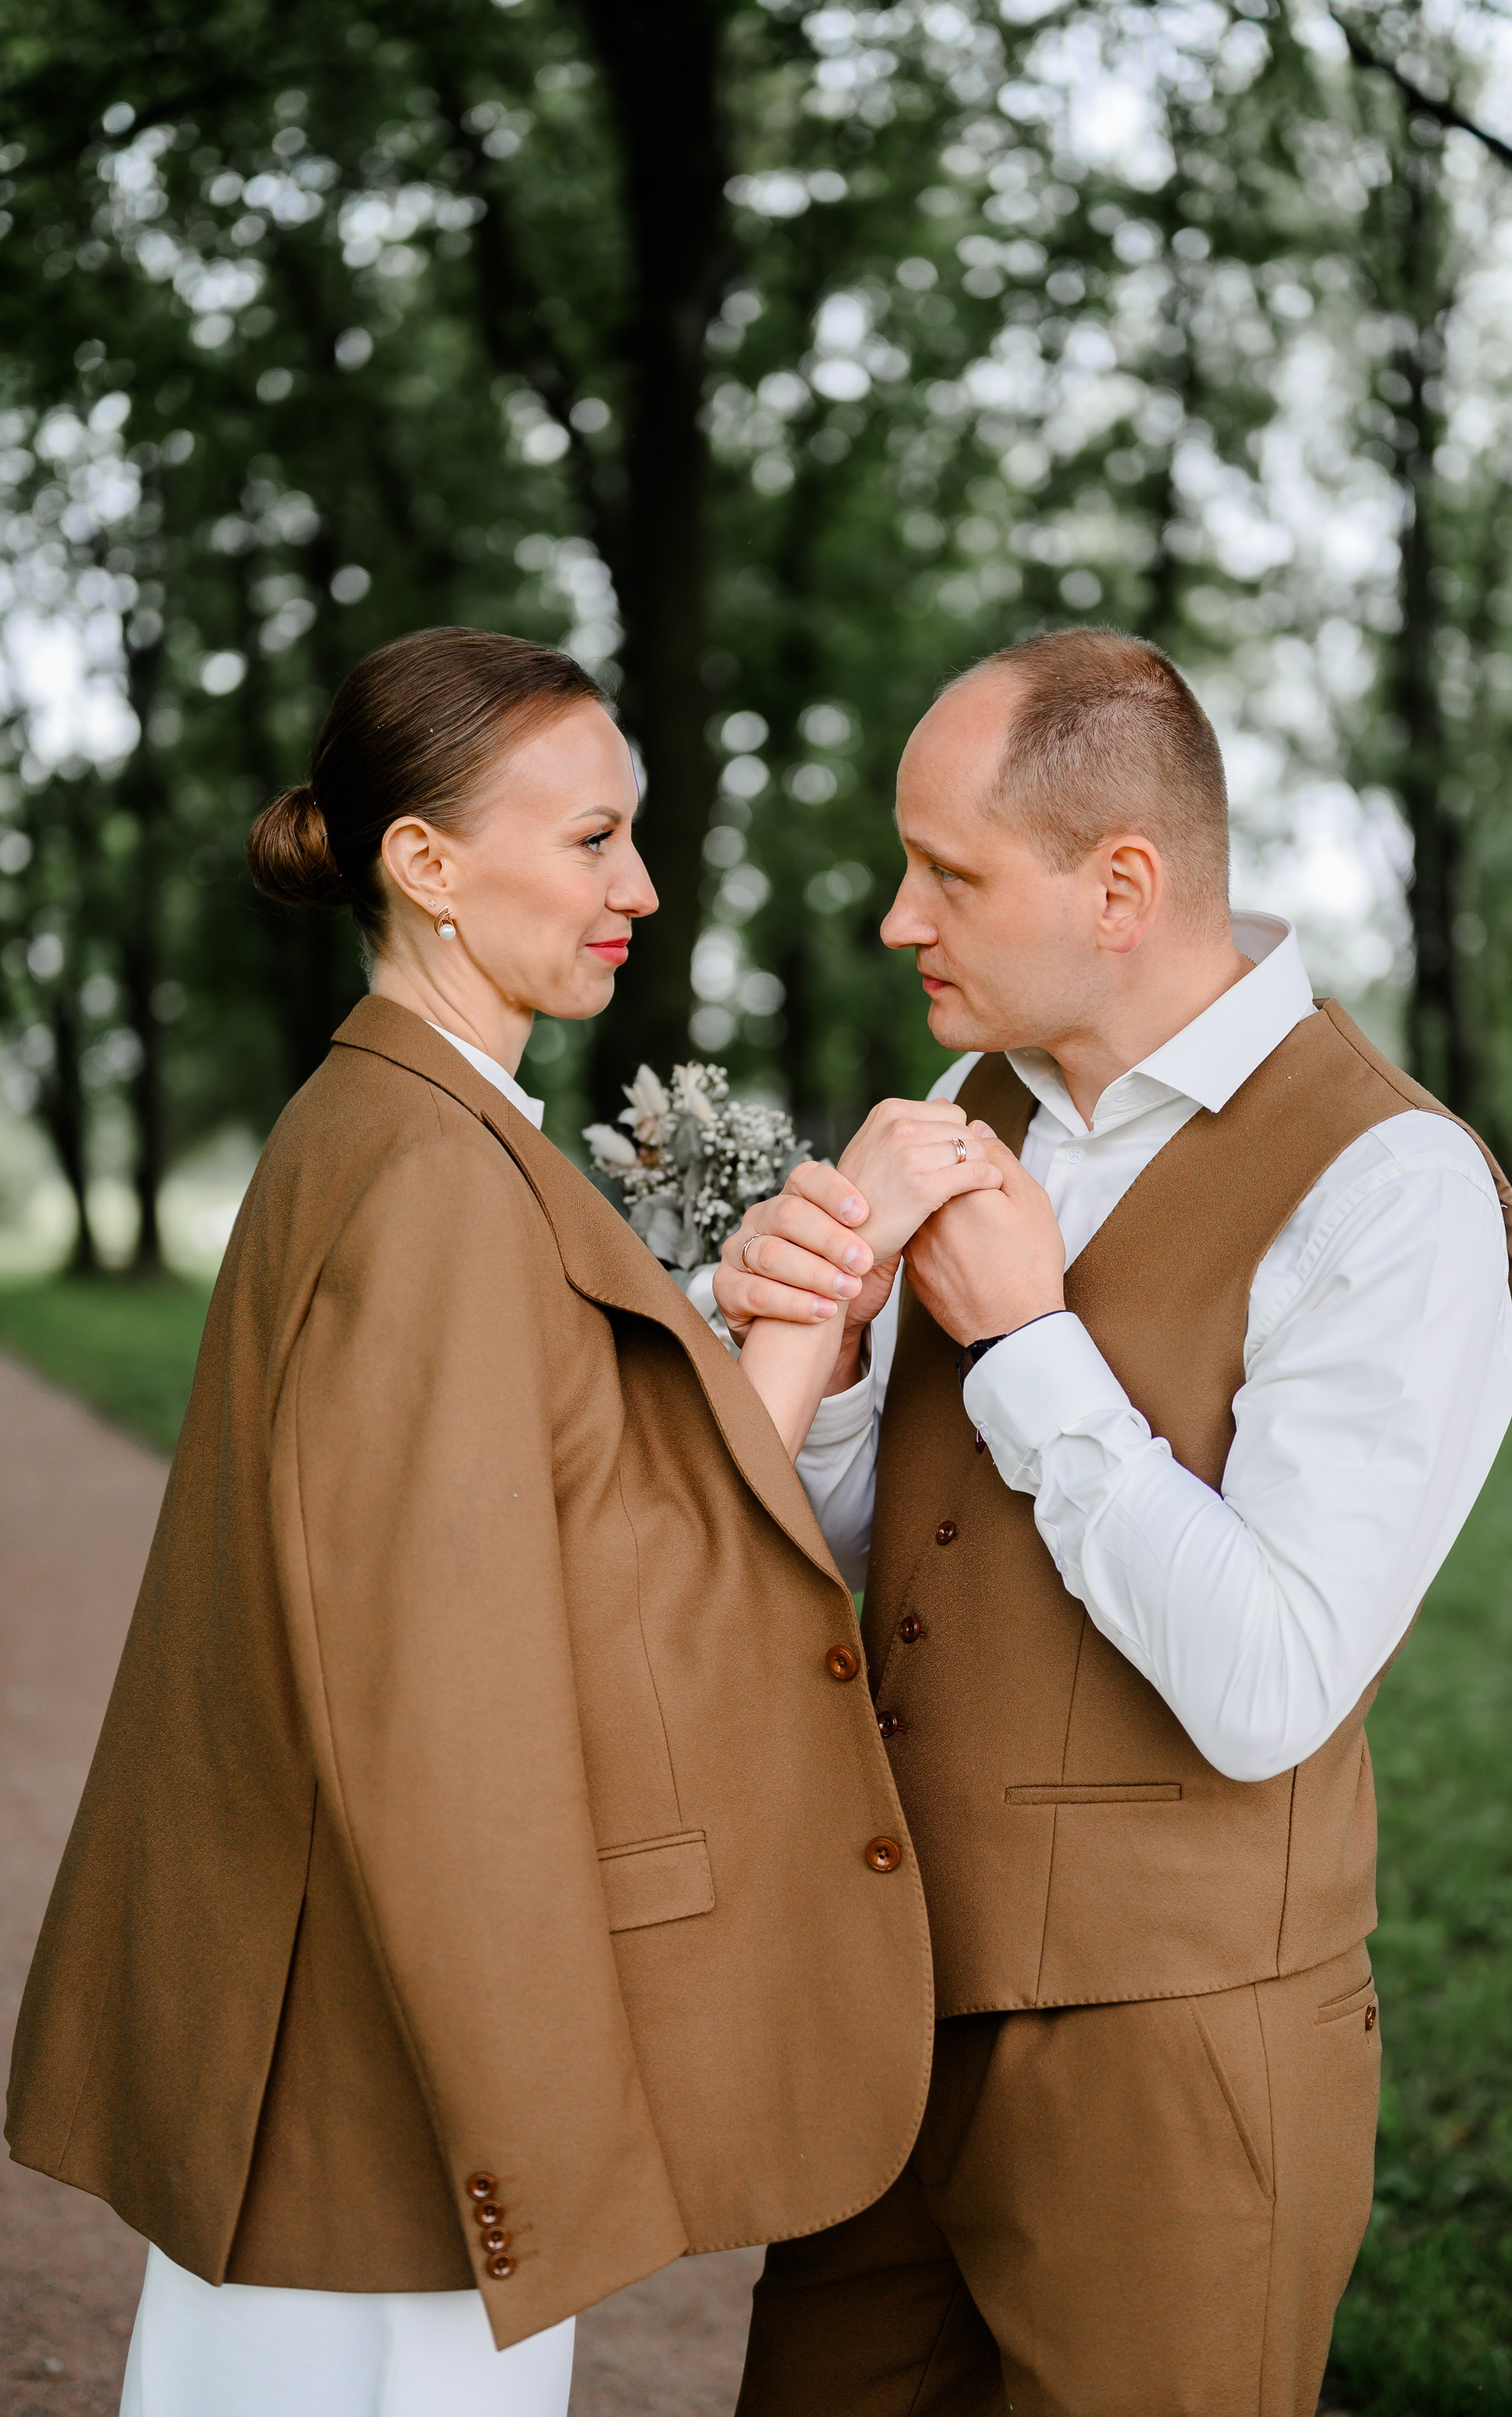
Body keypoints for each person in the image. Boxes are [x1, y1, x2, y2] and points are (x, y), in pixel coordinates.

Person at [5, 627, 987, 2417]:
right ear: (426, 864)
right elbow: (453, 1689)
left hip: (346, 2049)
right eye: (594, 839)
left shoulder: (401, 1127)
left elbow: (613, 1530)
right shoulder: (434, 1185)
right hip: (381, 2086)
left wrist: (805, 1304)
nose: (644, 884)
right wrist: (537, 2099)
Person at [714, 627, 1512, 2417]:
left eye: (946, 874)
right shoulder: (959, 1114)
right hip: (895, 2020)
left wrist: (1030, 1348)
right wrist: (830, 1364)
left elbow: (1272, 1682)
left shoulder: (1396, 1189)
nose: (895, 923)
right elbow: (897, 1560)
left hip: (1181, 2072)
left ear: (1122, 886)